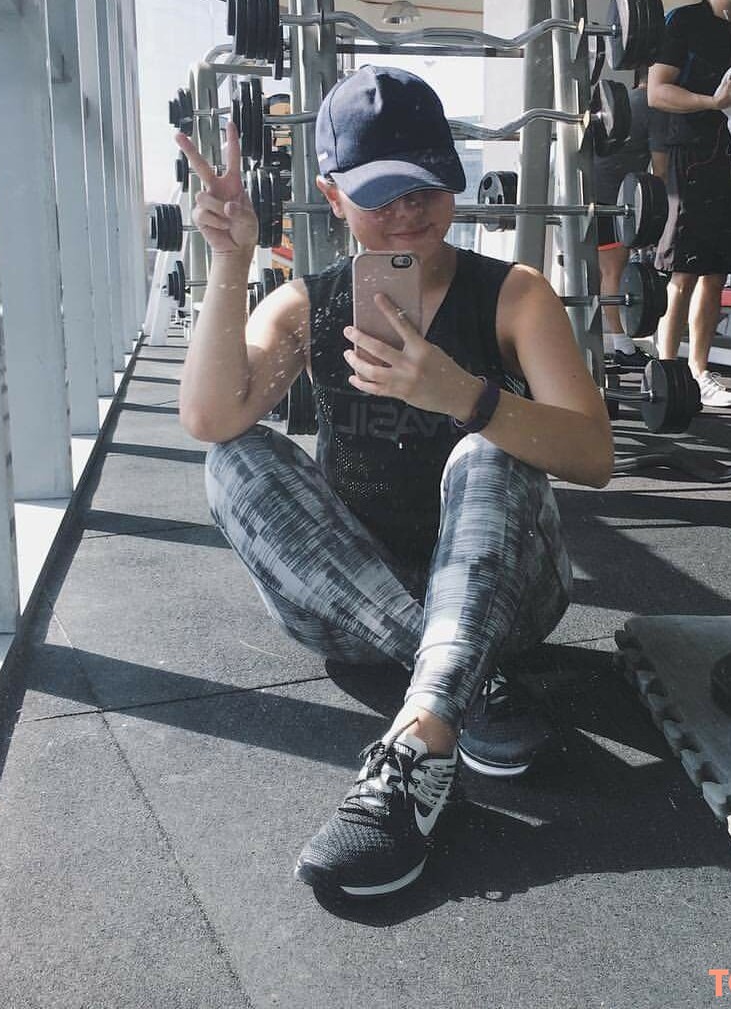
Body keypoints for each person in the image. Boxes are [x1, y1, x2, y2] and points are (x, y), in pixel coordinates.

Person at [174, 66, 613, 900]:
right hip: (349, 603)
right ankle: (459, 681)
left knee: (489, 448)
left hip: (508, 598)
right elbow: (209, 417)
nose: (409, 212)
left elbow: (594, 454)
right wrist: (230, 260)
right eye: (381, 194)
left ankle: (421, 736)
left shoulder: (515, 297)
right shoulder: (306, 305)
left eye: (425, 187)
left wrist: (466, 396)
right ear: (332, 195)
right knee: (233, 458)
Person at [648, 0, 731, 408]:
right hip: (691, 154)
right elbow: (657, 91)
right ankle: (667, 373)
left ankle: (699, 373)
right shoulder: (684, 20)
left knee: (716, 273)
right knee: (683, 271)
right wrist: (711, 103)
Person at [593, 71, 664, 368]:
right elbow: (661, 172)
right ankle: (621, 345)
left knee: (603, 272)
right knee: (613, 271)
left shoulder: (625, 100)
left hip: (592, 193)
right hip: (610, 199)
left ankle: (611, 343)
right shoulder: (653, 106)